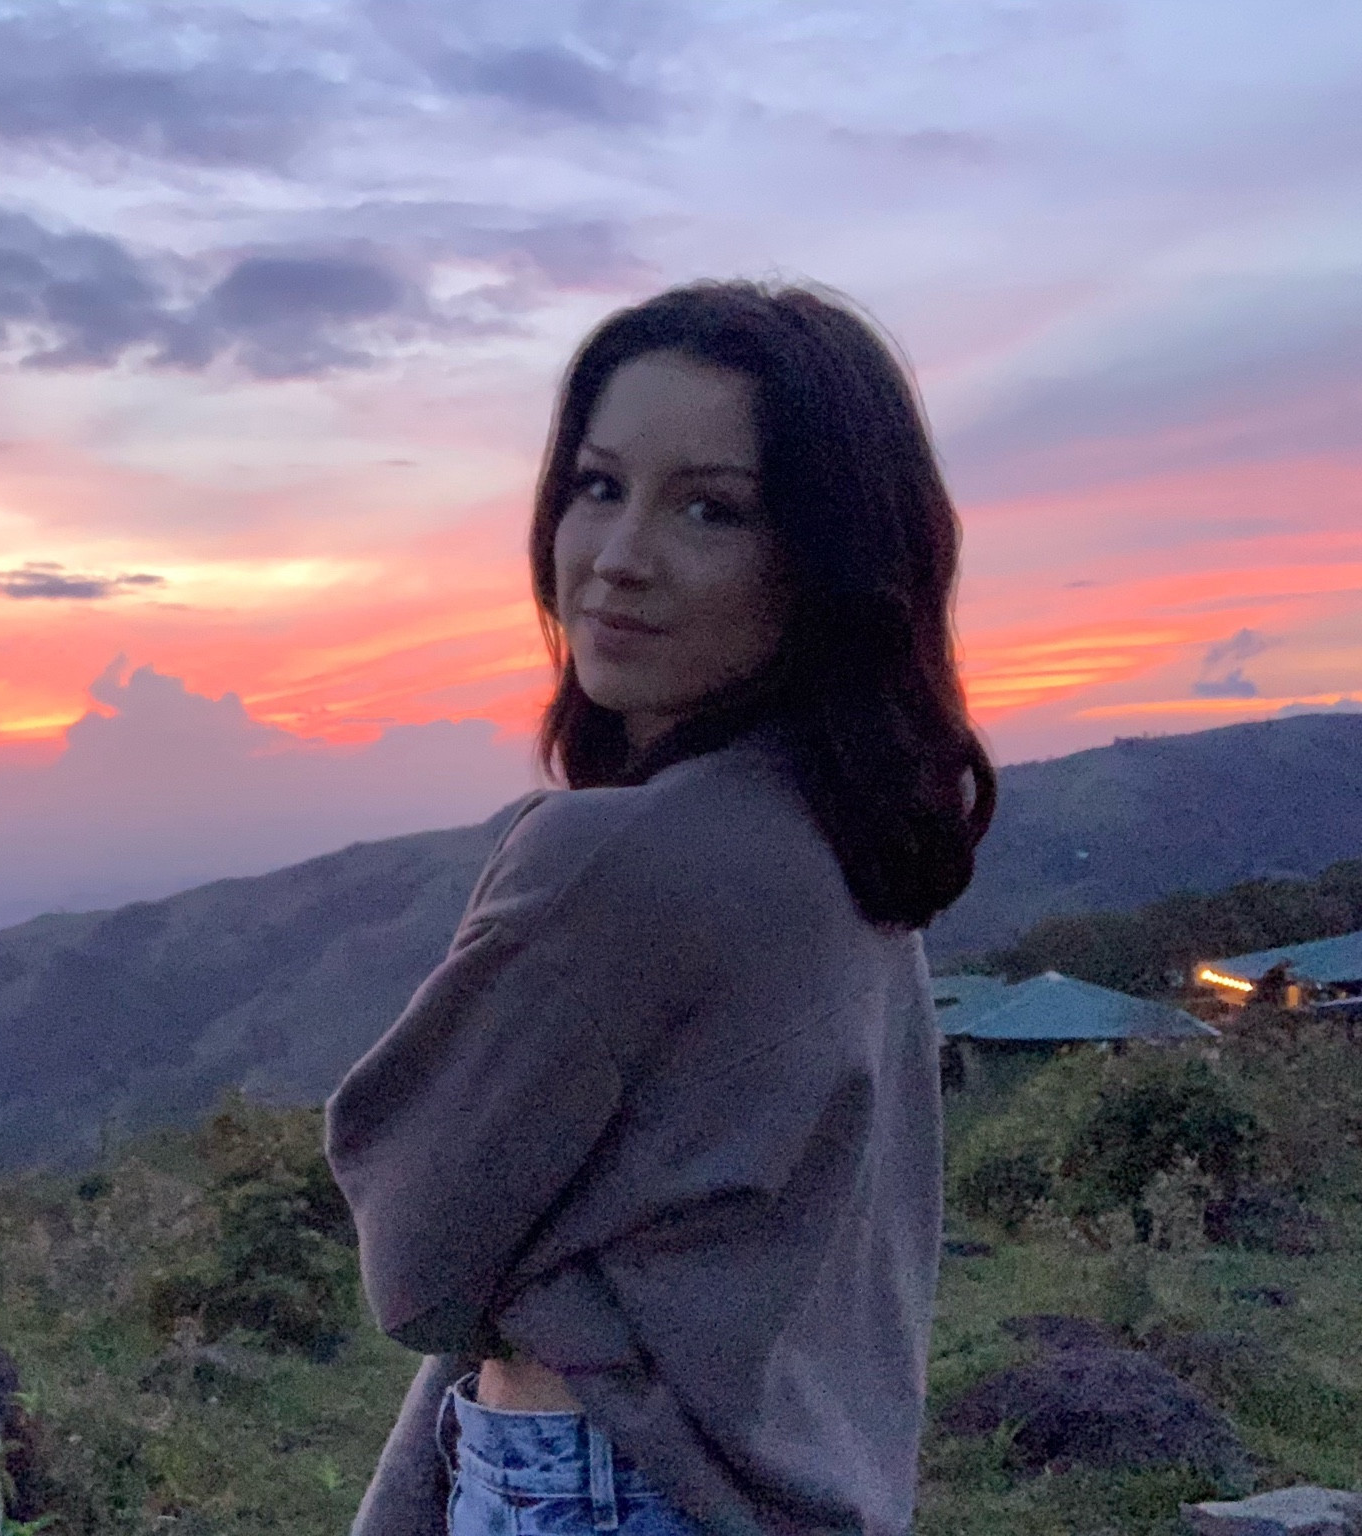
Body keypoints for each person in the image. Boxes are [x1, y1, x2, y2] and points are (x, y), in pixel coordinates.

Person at [324, 280, 996, 1536]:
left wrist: (561, 1305)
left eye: (708, 508)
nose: (620, 556)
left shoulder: (614, 862)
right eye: (596, 486)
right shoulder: (849, 838)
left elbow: (413, 1256)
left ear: (824, 560)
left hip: (604, 1487)